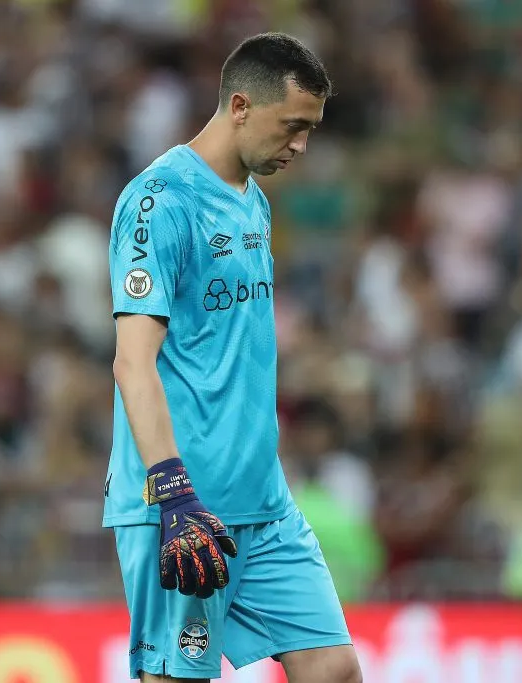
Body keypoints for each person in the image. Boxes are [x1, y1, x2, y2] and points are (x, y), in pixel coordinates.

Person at [105, 33, 361, 683]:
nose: (301, 145)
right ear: (242, 105)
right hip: (184, 500)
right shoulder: (158, 201)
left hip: (264, 501)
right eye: (293, 127)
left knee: (332, 668)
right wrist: (172, 492)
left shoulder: (254, 201)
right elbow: (133, 364)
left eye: (311, 130)